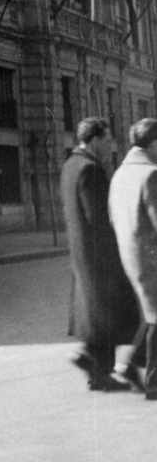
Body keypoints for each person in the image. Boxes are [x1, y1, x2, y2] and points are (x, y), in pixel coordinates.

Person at [59, 117, 140, 391]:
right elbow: (99, 218)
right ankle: (95, 363)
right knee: (111, 311)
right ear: (94, 139)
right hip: (100, 253)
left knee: (98, 312)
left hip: (81, 252)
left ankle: (96, 370)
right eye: (106, 140)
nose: (109, 146)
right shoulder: (90, 169)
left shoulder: (70, 165)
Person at [107, 117, 157, 401]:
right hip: (151, 257)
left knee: (151, 315)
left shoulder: (121, 174)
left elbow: (113, 218)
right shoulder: (151, 174)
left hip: (130, 254)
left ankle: (127, 366)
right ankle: (153, 383)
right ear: (153, 144)